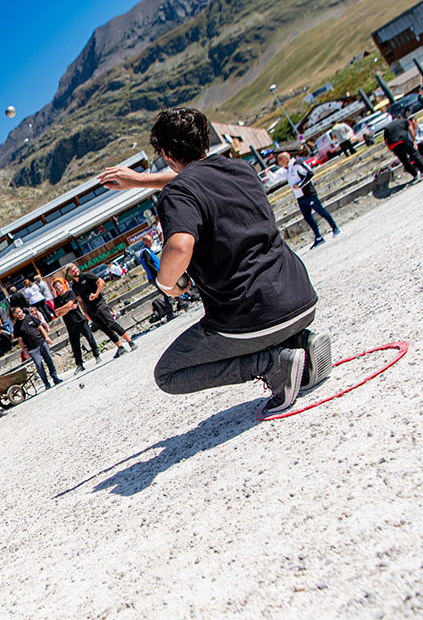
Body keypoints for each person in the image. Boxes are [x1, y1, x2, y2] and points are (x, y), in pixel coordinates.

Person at [99, 107, 333, 415]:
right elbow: (195, 176)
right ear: (204, 138)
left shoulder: (177, 193)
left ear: (166, 154)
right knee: (264, 322)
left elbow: (179, 246)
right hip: (301, 298)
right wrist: (141, 181)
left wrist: (166, 284)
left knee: (168, 374)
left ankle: (273, 364)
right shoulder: (240, 169)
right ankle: (301, 343)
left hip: (252, 316)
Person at [59, 262, 135, 358]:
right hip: (90, 310)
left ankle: (130, 342)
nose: (75, 271)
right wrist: (85, 312)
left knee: (111, 323)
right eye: (72, 271)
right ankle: (120, 347)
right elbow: (80, 300)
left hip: (99, 304)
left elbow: (101, 282)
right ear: (69, 274)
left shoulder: (86, 275)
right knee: (105, 328)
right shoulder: (74, 286)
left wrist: (96, 294)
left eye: (75, 269)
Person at [276, 151, 339, 248]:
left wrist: (300, 185)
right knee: (307, 217)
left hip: (308, 194)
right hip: (300, 197)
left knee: (320, 211)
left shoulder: (297, 164)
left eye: (279, 160)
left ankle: (334, 227)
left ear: (285, 159)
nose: (279, 163)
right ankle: (318, 237)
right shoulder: (287, 170)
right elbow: (276, 178)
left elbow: (310, 173)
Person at [51, 277, 101, 372]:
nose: (58, 288)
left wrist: (64, 308)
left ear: (62, 285)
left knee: (89, 337)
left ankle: (96, 354)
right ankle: (79, 364)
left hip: (79, 319)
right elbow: (58, 314)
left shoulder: (70, 293)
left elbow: (69, 304)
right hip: (70, 323)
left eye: (59, 285)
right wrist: (68, 308)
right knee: (75, 345)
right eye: (56, 287)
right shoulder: (56, 300)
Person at [11, 306, 62, 388]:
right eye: (17, 313)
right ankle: (46, 382)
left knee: (49, 360)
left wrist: (47, 338)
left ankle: (55, 377)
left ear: (22, 311)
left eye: (19, 311)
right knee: (39, 365)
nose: (19, 314)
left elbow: (40, 327)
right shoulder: (16, 326)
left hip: (41, 342)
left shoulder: (30, 317)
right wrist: (25, 351)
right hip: (32, 348)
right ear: (14, 315)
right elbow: (20, 340)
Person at [382, 116, 423, 180]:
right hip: (403, 140)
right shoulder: (404, 121)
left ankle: (414, 174)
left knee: (404, 160)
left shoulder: (387, 127)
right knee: (414, 154)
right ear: (401, 117)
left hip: (394, 145)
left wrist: (391, 149)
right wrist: (414, 141)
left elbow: (386, 141)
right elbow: (411, 130)